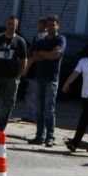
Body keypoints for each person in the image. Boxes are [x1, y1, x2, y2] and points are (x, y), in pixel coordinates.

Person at [25, 14, 66, 146]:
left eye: (53, 25)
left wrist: (43, 53)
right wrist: (47, 54)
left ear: (58, 25)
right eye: (48, 25)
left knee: (49, 109)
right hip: (39, 77)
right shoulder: (42, 40)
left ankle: (50, 136)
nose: (50, 27)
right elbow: (34, 56)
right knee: (39, 109)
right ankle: (39, 136)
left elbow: (56, 55)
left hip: (51, 78)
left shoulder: (61, 39)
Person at [20, 17, 46, 122]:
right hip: (42, 71)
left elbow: (32, 57)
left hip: (35, 71)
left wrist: (25, 70)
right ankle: (32, 113)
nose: (36, 26)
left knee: (31, 93)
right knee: (35, 93)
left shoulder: (39, 38)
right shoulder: (49, 38)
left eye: (38, 24)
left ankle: (33, 115)